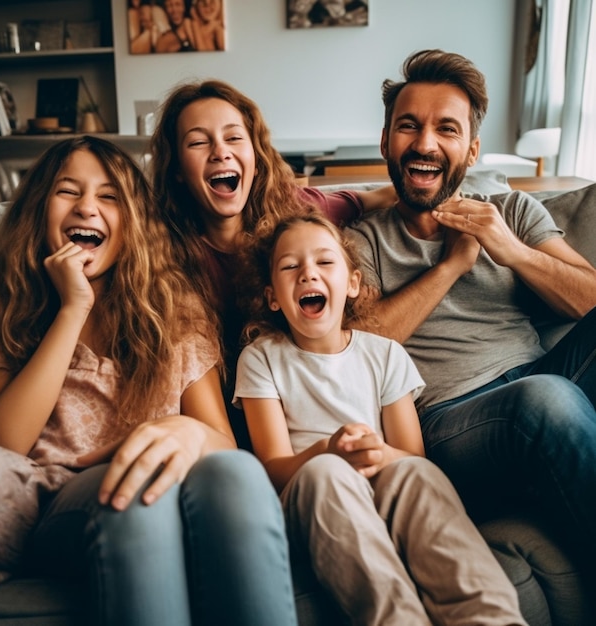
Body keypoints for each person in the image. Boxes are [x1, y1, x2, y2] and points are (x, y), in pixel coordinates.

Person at [0, 135, 298, 626]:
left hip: (172, 483)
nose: (87, 207)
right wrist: (72, 307)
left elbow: (222, 445)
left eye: (109, 197)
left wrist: (187, 430)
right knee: (141, 489)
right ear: (39, 210)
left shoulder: (176, 309)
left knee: (238, 473)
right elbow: (8, 439)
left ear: (132, 223)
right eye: (68, 191)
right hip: (55, 497)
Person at [345, 49, 596, 563]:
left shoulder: (513, 211)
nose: (425, 144)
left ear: (472, 149)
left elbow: (589, 300)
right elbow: (364, 342)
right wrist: (451, 267)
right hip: (453, 420)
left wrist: (514, 252)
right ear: (386, 142)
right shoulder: (360, 241)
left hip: (548, 379)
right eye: (408, 126)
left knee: (549, 397)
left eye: (446, 129)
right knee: (545, 400)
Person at [233, 211, 526, 625]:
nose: (308, 274)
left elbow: (411, 456)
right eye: (290, 266)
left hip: (382, 480)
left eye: (324, 261)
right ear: (273, 297)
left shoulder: (384, 354)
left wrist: (375, 453)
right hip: (311, 494)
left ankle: (489, 618)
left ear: (352, 284)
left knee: (419, 476)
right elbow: (274, 469)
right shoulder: (262, 358)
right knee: (328, 474)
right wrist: (326, 451)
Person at [150, 78, 396, 447]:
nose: (220, 152)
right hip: (220, 417)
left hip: (296, 410)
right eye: (199, 142)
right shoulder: (159, 248)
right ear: (177, 171)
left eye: (234, 138)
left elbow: (372, 198)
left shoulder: (295, 213)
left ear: (255, 153)